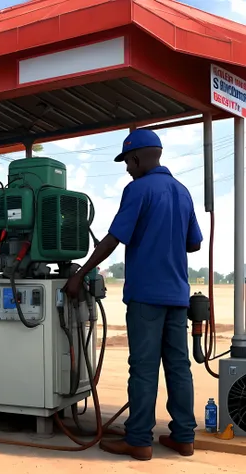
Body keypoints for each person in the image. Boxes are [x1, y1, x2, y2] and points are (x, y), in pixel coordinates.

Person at [64, 129, 202, 461]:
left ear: (137, 158)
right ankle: (184, 437)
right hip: (177, 295)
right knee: (179, 366)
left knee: (142, 368)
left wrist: (79, 275)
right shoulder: (182, 192)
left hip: (146, 295)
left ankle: (139, 439)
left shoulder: (138, 189)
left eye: (127, 162)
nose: (127, 168)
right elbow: (194, 243)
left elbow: (113, 238)